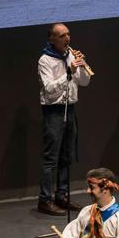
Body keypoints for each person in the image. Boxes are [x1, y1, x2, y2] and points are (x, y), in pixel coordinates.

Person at [37, 23, 90, 215]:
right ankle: (44, 200)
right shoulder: (45, 59)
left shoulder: (71, 55)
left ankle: (62, 195)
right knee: (51, 158)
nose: (67, 38)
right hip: (54, 112)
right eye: (62, 36)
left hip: (71, 108)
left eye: (68, 34)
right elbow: (49, 88)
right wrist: (69, 72)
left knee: (67, 156)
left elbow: (85, 82)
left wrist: (81, 68)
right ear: (52, 39)